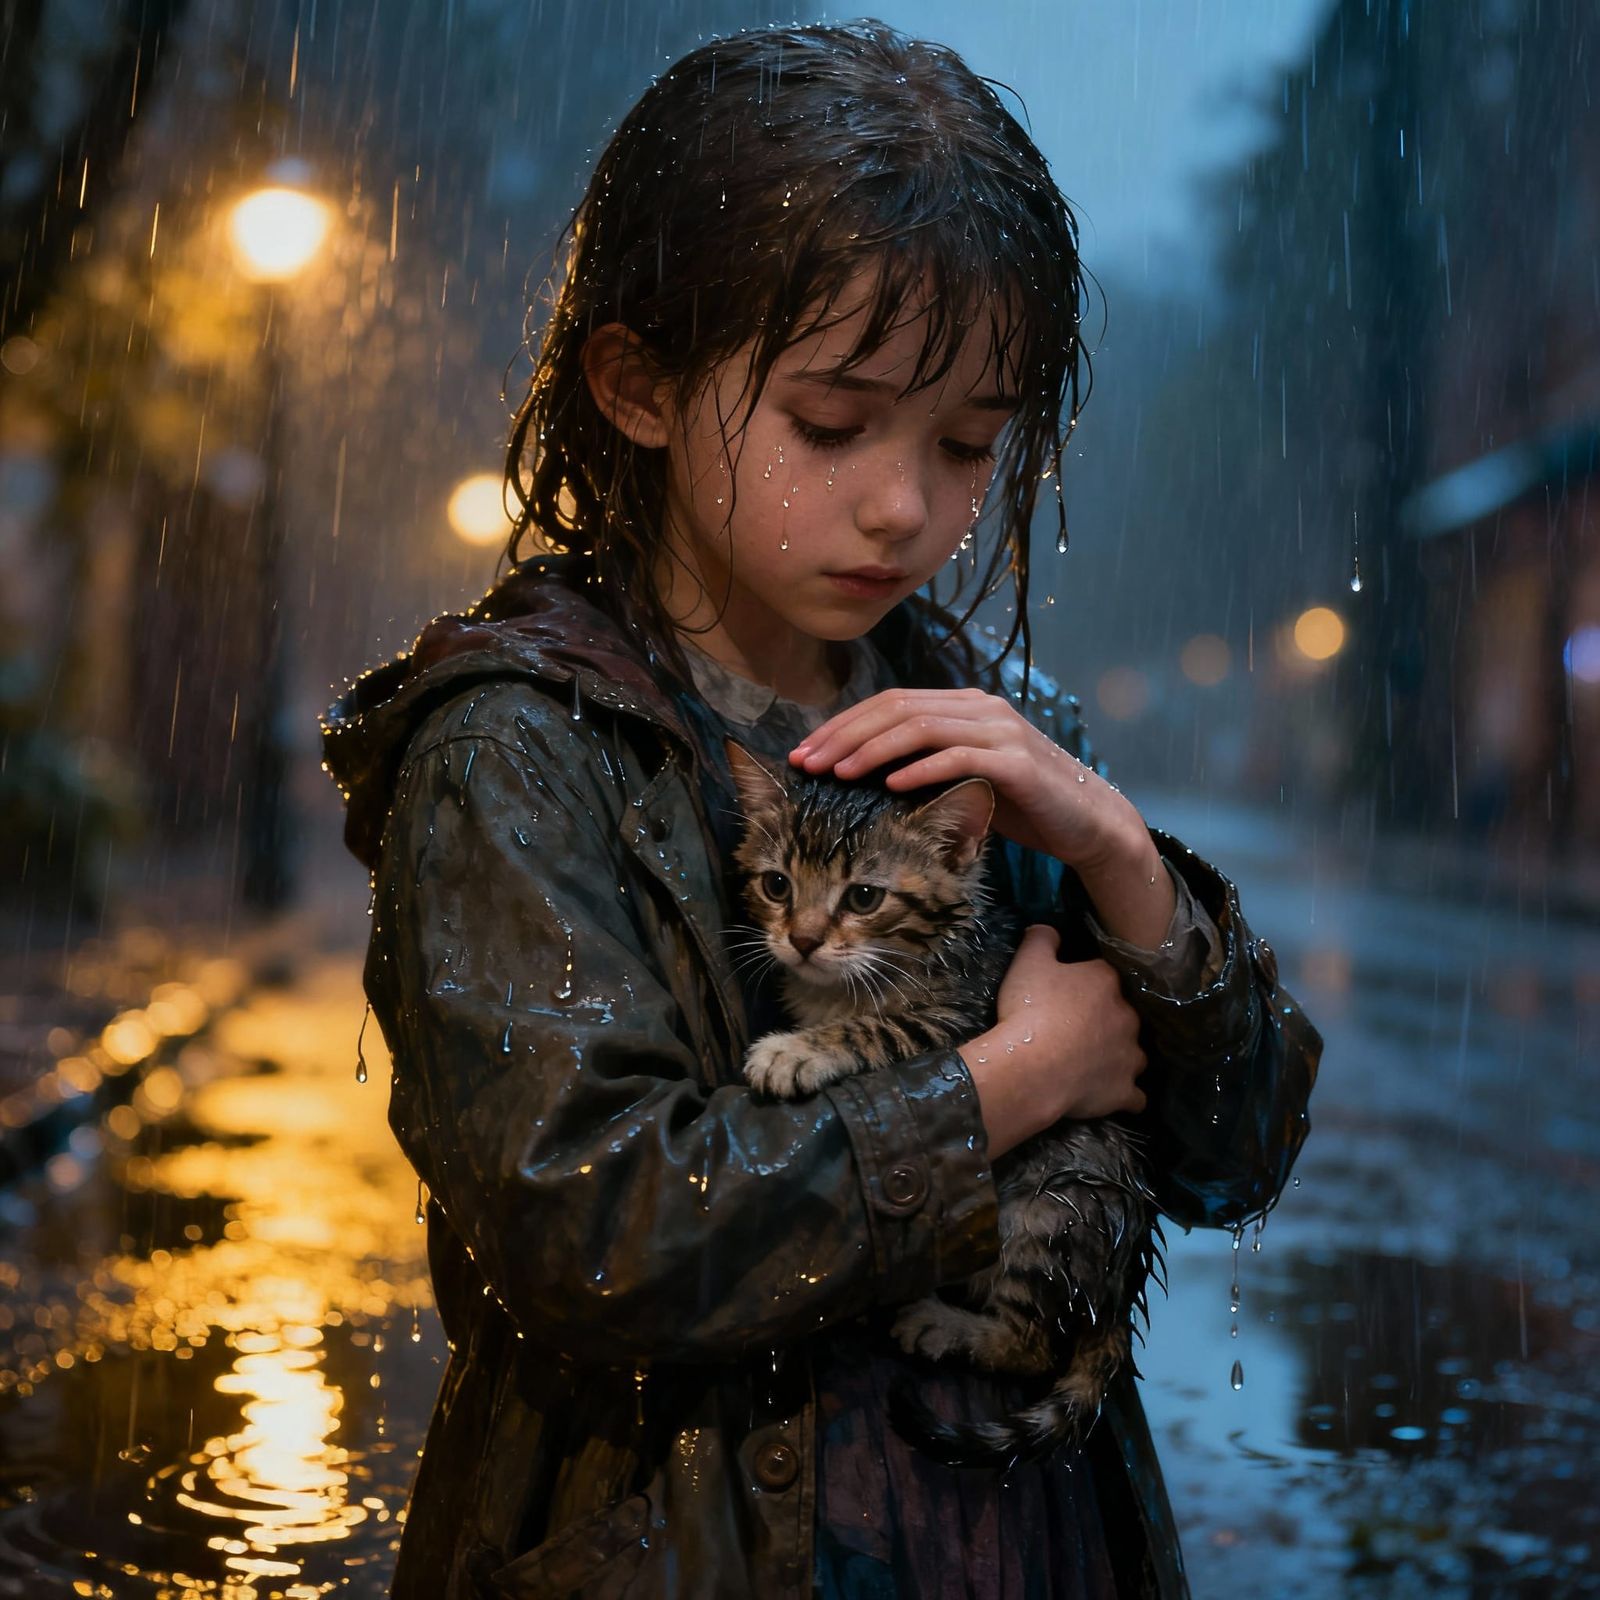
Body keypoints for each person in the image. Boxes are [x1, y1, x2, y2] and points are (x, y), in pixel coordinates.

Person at [322, 21, 1322, 1598]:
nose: (905, 505)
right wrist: (1003, 1087)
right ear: (639, 386)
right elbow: (599, 1236)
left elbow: (1235, 1157)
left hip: (1017, 1542)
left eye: (970, 443)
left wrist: (1128, 868)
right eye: (832, 425)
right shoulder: (517, 751)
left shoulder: (995, 734)